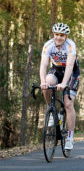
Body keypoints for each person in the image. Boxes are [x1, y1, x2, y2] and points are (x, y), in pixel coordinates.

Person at [39, 22, 79, 151]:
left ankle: (70, 138)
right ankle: (51, 111)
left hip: (71, 73)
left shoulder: (71, 46)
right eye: (56, 34)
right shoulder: (48, 45)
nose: (58, 37)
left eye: (62, 35)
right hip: (56, 70)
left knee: (68, 104)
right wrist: (42, 81)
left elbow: (69, 66)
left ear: (66, 36)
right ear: (53, 34)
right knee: (46, 85)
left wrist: (63, 84)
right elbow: (44, 65)